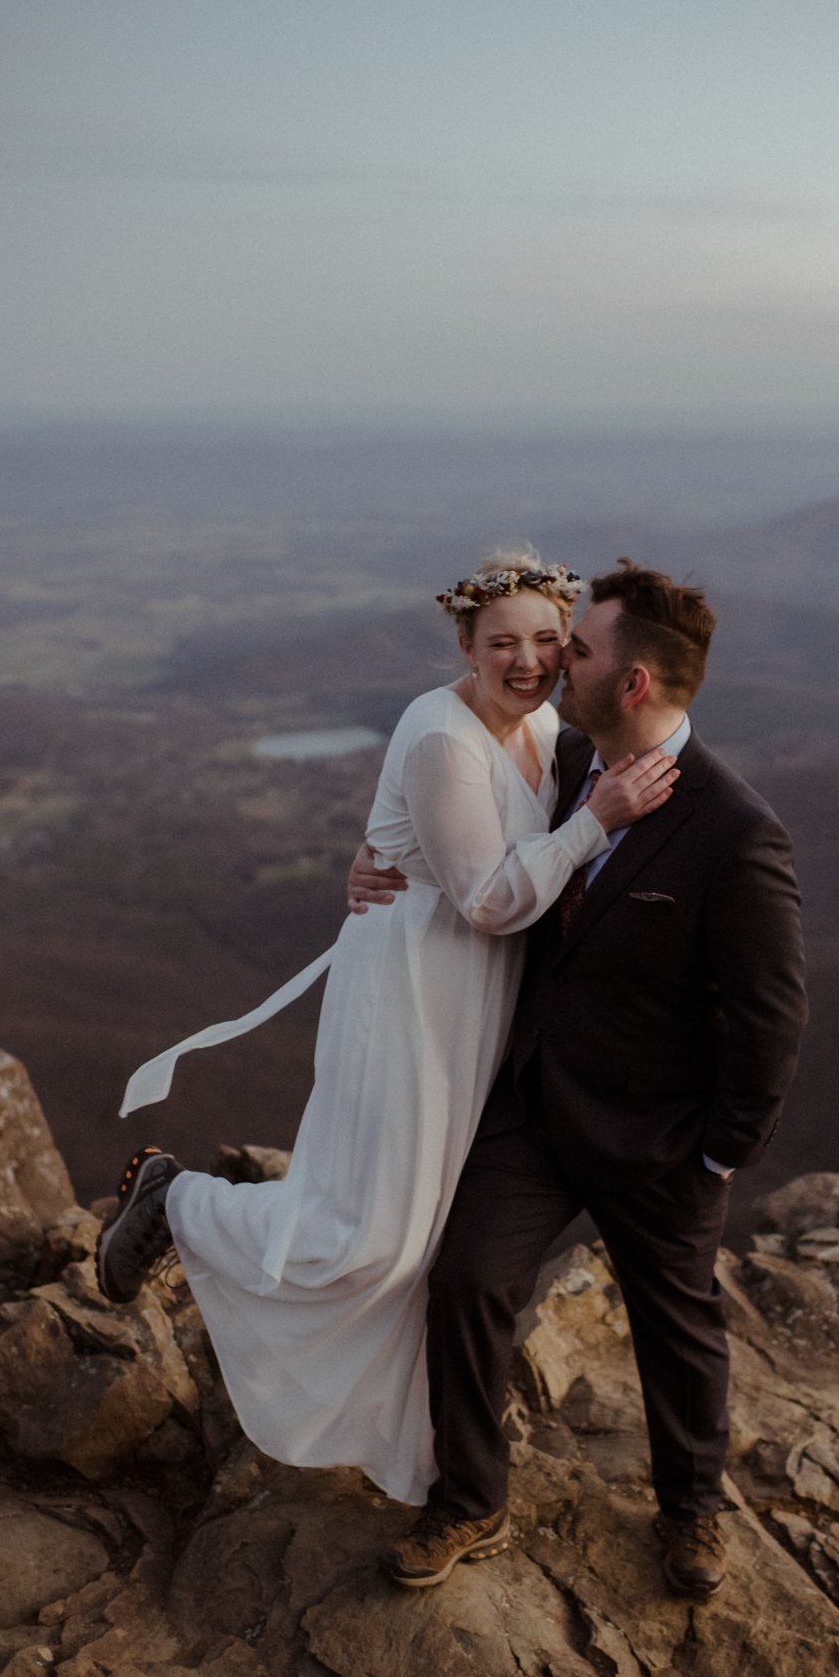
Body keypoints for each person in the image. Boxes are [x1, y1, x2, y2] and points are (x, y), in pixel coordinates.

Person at [95, 549, 677, 1508]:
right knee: (368, 1240)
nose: (527, 661)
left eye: (546, 641)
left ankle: (419, 1451)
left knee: (430, 1234)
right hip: (409, 995)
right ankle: (178, 1201)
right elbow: (490, 898)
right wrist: (596, 822)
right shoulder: (441, 734)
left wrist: (377, 847)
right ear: (464, 644)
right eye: (503, 644)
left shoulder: (542, 725)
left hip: (476, 1005)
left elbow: (444, 844)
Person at [349, 560, 808, 1598]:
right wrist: (378, 861)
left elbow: (773, 1017)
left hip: (662, 1136)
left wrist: (721, 1150)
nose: (556, 661)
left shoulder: (735, 831)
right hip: (543, 1104)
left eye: (579, 648)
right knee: (467, 1280)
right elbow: (479, 849)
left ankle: (692, 1512)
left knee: (676, 1321)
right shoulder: (563, 761)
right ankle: (471, 1498)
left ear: (634, 682)